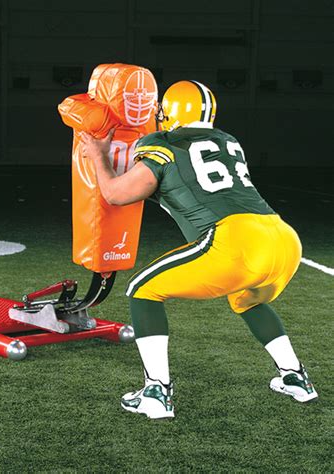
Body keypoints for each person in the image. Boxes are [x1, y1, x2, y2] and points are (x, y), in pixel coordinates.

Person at [81, 80, 318, 419]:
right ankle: (295, 377)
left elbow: (115, 194)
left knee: (142, 290)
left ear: (169, 113)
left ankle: (156, 392)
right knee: (246, 299)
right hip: (283, 238)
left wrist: (100, 156)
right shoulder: (227, 140)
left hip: (236, 239)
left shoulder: (161, 144)